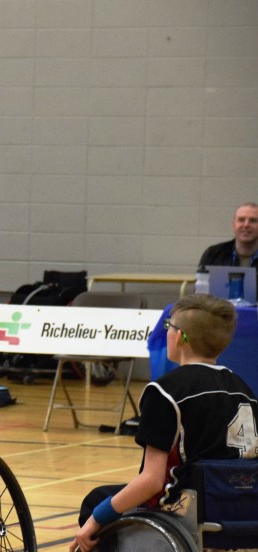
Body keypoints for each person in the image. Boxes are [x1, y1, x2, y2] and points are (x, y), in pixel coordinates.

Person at [69, 294, 258, 552]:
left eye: (169, 326)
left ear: (180, 337)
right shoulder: (244, 389)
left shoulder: (166, 390)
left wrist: (95, 519)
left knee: (97, 501)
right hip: (244, 506)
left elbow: (152, 481)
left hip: (190, 506)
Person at [198, 202, 258, 270]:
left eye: (253, 220)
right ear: (233, 225)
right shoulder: (212, 254)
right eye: (241, 220)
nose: (246, 225)